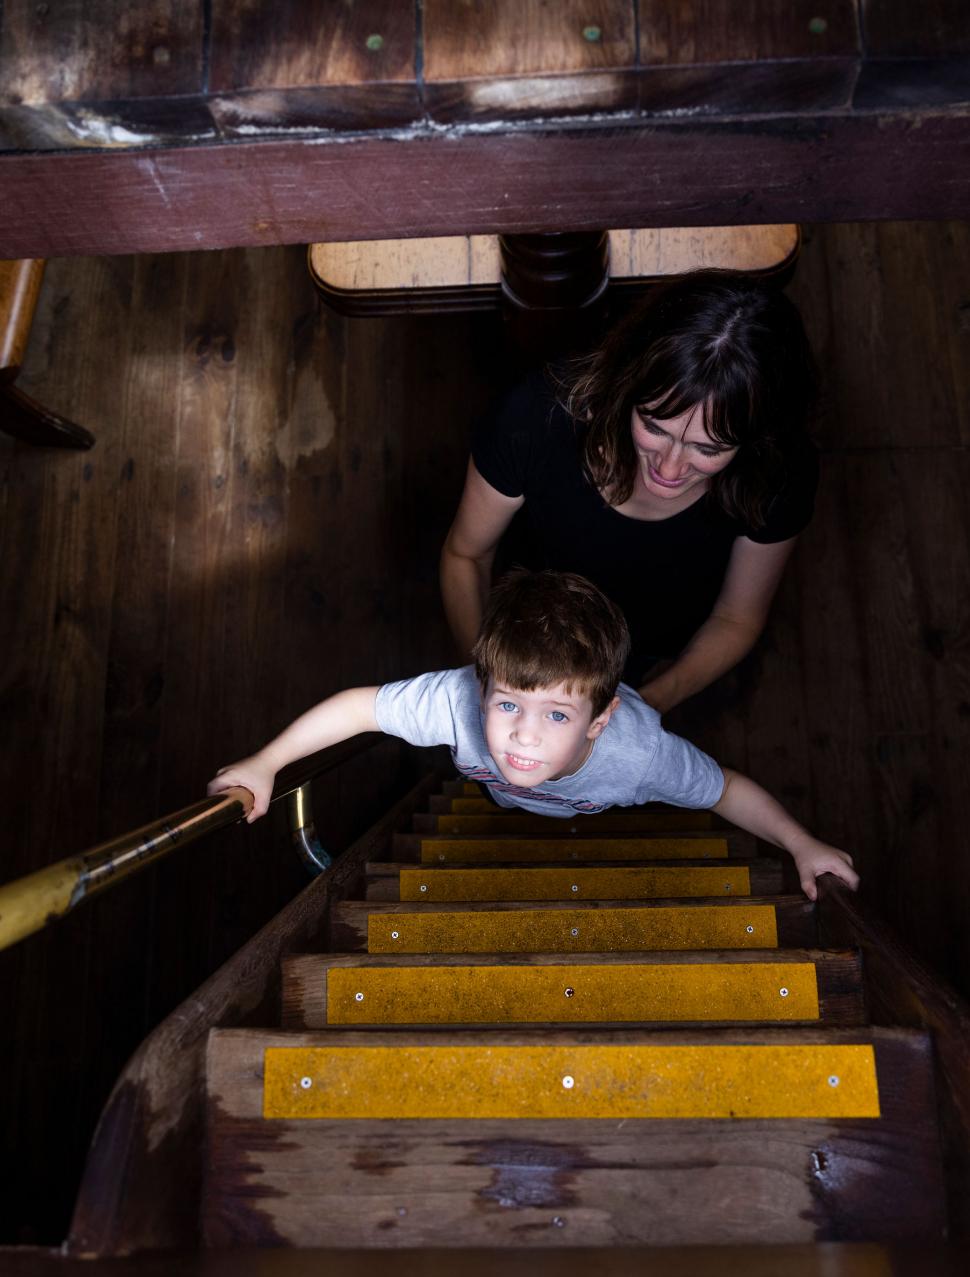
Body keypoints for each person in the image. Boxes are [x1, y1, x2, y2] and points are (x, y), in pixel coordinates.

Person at [207, 570, 856, 901]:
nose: (522, 734)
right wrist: (269, 761)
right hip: (510, 800)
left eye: (556, 715)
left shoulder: (640, 755)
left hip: (609, 771)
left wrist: (800, 844)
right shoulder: (460, 701)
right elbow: (360, 708)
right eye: (508, 703)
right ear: (485, 687)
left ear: (596, 724)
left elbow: (725, 790)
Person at [439, 270, 819, 713]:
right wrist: (488, 683)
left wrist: (651, 703)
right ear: (626, 382)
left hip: (673, 655)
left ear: (756, 439)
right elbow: (465, 556)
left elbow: (735, 618)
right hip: (532, 635)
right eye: (655, 426)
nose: (670, 468)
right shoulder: (536, 419)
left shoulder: (778, 469)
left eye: (708, 447)